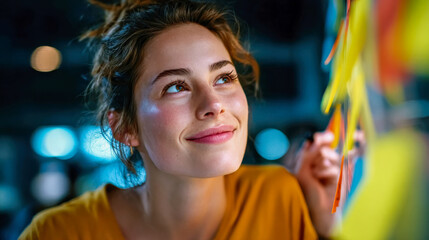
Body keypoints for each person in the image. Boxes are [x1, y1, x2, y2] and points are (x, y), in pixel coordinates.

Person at [19, 0, 340, 239]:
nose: (213, 104)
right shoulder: (57, 233)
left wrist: (329, 228)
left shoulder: (280, 199)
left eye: (224, 78)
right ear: (125, 128)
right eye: (176, 87)